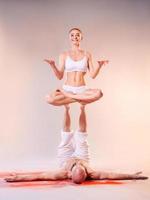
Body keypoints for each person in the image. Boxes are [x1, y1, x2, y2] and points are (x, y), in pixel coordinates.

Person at [4, 104, 148, 184]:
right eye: (81, 169)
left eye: (79, 168)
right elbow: (111, 175)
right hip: (82, 156)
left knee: (66, 133)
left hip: (65, 159)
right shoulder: (92, 173)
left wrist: (18, 177)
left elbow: (40, 176)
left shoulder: (62, 173)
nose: (79, 166)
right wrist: (132, 176)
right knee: (82, 134)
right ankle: (82, 108)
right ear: (85, 172)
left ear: (71, 173)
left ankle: (66, 108)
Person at [44, 27, 109, 106]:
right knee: (49, 99)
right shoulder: (63, 55)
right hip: (67, 88)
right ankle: (81, 99)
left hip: (82, 89)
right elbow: (60, 76)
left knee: (99, 93)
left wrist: (100, 65)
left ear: (81, 37)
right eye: (72, 35)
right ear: (69, 38)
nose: (75, 37)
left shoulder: (87, 54)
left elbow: (93, 75)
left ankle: (72, 97)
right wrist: (53, 65)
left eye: (77, 35)